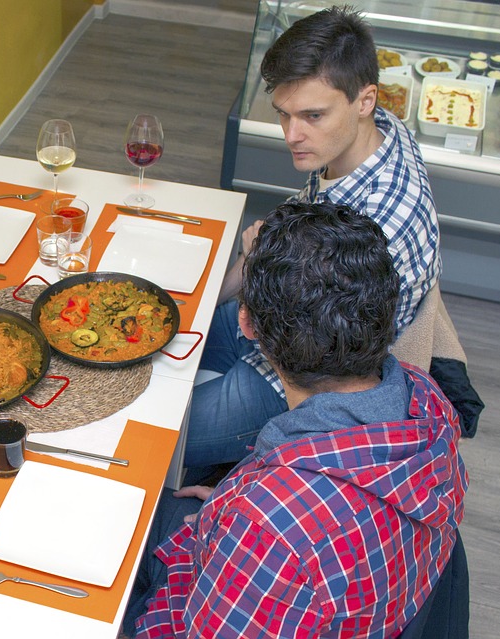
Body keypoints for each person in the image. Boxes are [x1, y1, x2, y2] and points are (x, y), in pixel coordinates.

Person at [124, 201, 467, 638]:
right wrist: (234, 507)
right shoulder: (428, 400)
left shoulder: (270, 530)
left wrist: (250, 522)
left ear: (246, 323)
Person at [186, 5, 440, 471]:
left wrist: (258, 258)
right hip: (280, 317)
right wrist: (198, 305)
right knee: (170, 334)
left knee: (168, 431)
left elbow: (313, 353)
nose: (292, 135)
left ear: (365, 100)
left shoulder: (376, 226)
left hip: (309, 373)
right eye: (284, 115)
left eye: (312, 115)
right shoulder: (372, 133)